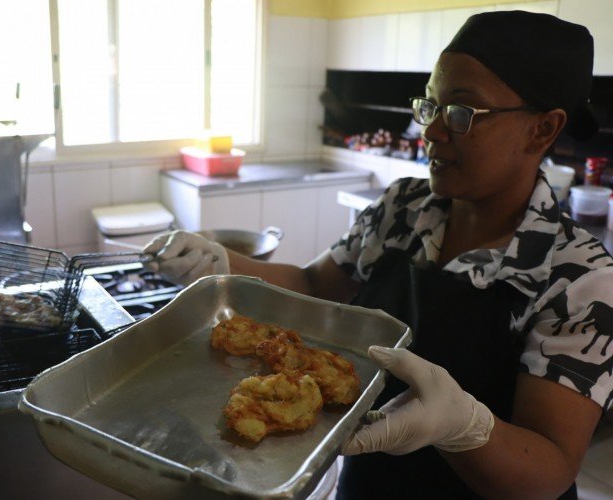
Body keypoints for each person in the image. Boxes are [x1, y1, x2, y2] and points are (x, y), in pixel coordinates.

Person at [143, 10, 612, 499]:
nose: (430, 133)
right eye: (430, 107)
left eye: (461, 113)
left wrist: (462, 426)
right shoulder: (404, 208)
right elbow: (312, 286)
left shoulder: (579, 277)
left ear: (543, 129)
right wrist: (219, 265)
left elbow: (550, 470)